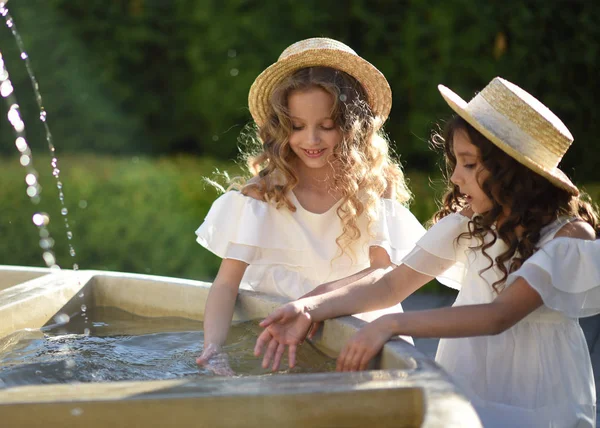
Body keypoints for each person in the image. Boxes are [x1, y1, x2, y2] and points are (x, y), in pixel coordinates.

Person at [255, 77, 600, 427]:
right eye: (455, 162)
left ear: (512, 171)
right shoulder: (471, 221)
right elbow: (391, 285)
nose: (455, 178)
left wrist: (392, 323)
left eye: (468, 163)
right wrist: (308, 307)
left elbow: (498, 316)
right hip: (468, 375)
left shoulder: (569, 237)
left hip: (539, 392)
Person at [195, 37, 425, 375]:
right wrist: (212, 347)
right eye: (297, 127)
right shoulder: (264, 194)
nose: (311, 140)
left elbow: (383, 272)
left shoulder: (374, 186)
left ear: (351, 126)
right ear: (280, 127)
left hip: (357, 329)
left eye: (327, 126)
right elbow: (226, 284)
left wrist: (313, 302)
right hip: (276, 335)